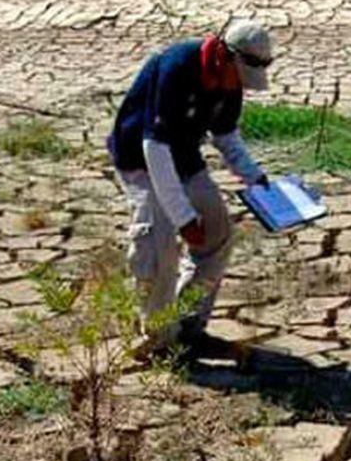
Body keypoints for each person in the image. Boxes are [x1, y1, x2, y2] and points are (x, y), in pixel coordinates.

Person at [108, 20, 273, 359]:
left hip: (184, 157)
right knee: (159, 245)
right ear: (225, 57)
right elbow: (154, 148)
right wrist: (183, 218)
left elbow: (225, 135)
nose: (238, 86)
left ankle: (186, 325)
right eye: (239, 76)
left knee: (218, 234)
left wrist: (254, 176)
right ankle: (157, 339)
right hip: (141, 158)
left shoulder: (232, 81)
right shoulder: (176, 66)